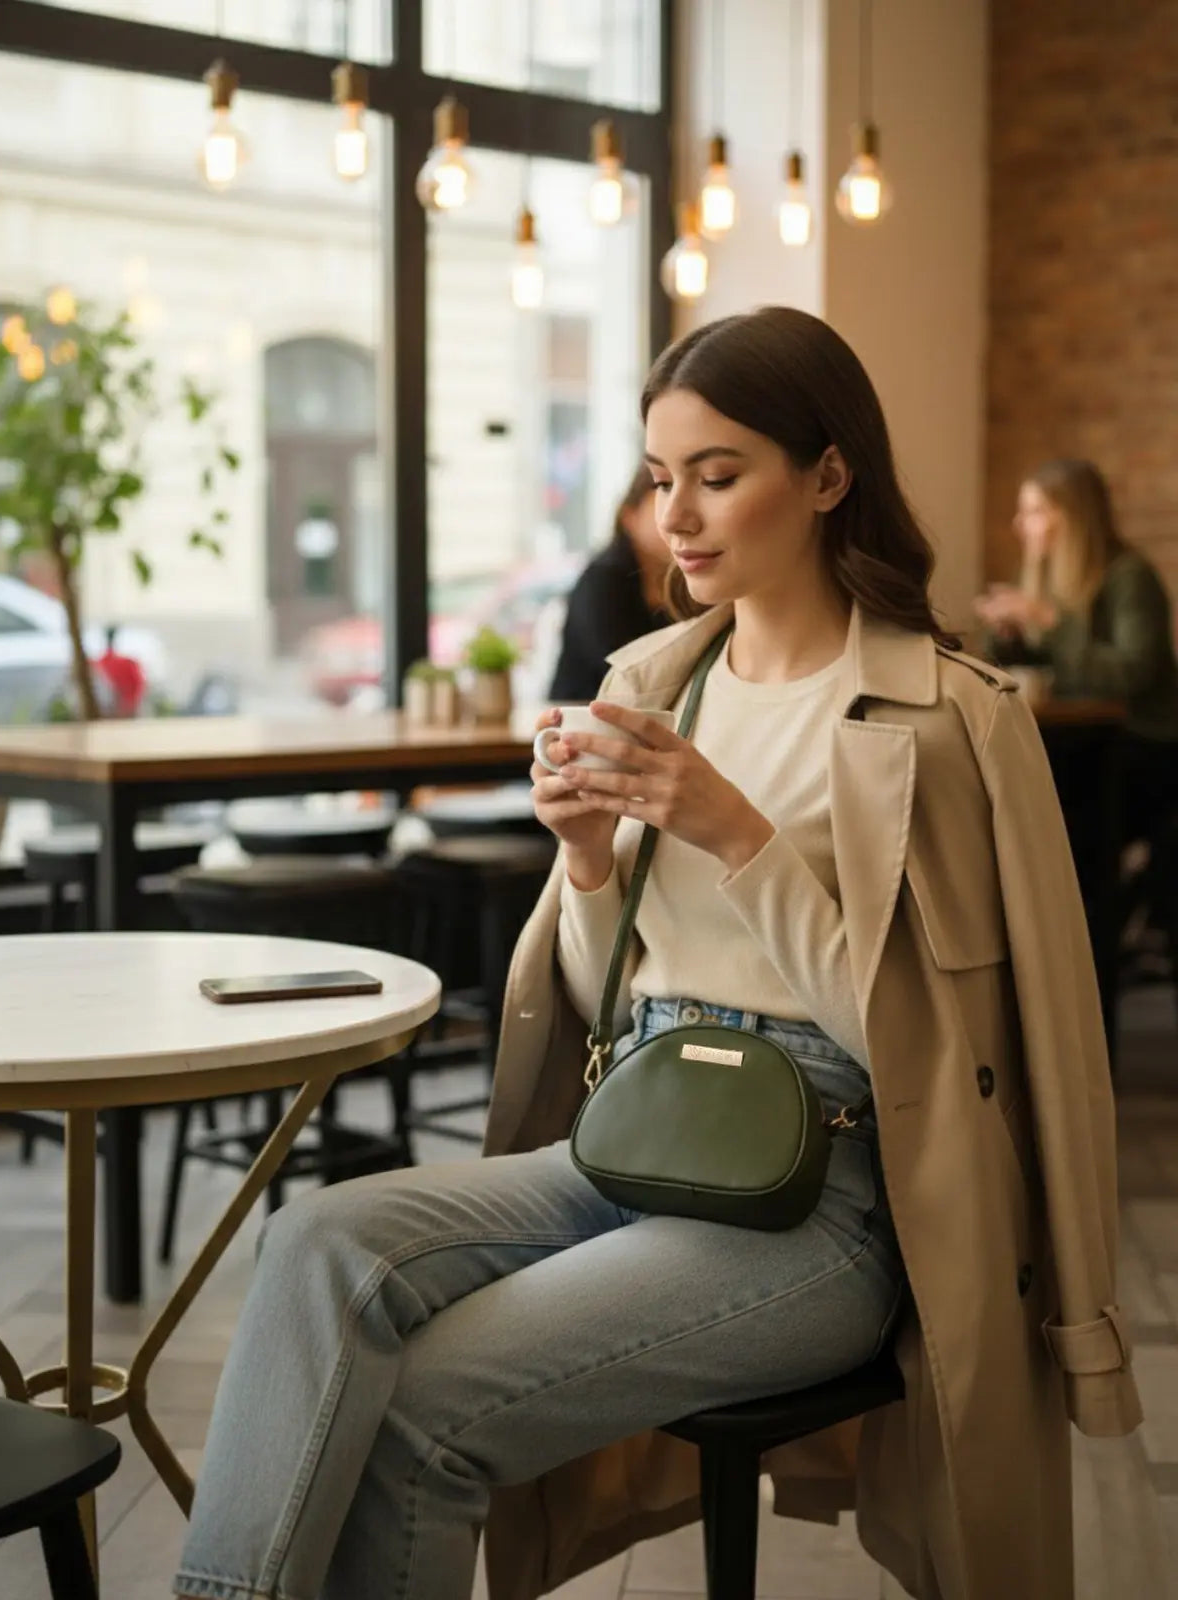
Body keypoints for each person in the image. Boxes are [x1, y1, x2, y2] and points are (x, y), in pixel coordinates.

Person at [174, 309, 1139, 1600]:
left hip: (825, 1199)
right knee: (312, 1242)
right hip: (632, 1130)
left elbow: (939, 1054)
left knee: (425, 1410)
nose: (675, 514)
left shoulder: (950, 717)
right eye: (659, 475)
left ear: (829, 476)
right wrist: (584, 864)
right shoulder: (654, 684)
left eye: (719, 474)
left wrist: (737, 834)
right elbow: (596, 997)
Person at [975, 458, 1178, 852]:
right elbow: (1049, 663)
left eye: (1034, 511)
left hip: (1147, 737)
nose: (1019, 523)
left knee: (1069, 790)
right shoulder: (1047, 574)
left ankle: (1090, 900)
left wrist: (1048, 622)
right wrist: (1008, 638)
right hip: (1084, 735)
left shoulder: (1129, 576)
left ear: (1071, 516)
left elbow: (1132, 673)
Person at [547, 462, 672, 701]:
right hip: (581, 718)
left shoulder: (683, 581)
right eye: (661, 507)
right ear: (630, 517)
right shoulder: (604, 578)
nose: (674, 521)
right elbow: (621, 669)